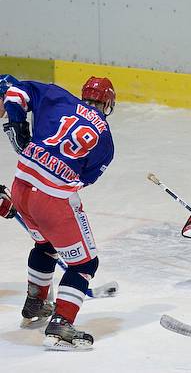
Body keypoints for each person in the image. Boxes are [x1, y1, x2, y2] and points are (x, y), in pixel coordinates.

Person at [1, 74, 115, 350]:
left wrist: (16, 122)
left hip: (21, 186)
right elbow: (83, 179)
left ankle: (35, 303)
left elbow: (14, 92)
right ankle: (61, 323)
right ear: (108, 104)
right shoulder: (106, 141)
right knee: (85, 264)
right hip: (52, 199)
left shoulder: (57, 96)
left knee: (45, 244)